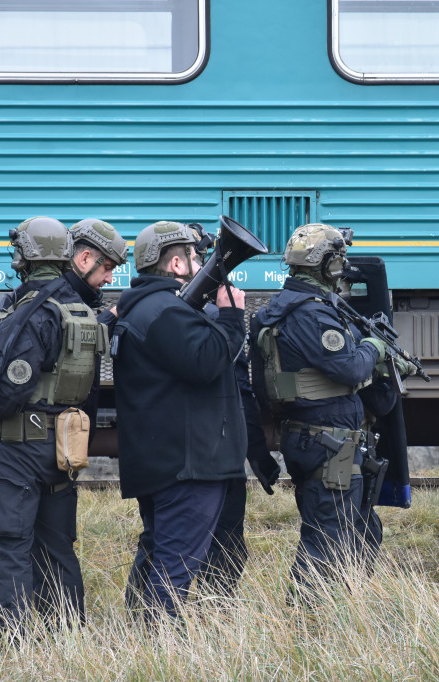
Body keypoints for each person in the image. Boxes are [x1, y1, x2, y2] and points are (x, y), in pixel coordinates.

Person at [0, 216, 109, 629]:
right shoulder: (78, 308)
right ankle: (65, 633)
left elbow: (14, 387)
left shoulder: (33, 311)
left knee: (8, 543)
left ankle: (6, 642)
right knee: (56, 547)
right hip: (61, 447)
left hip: (19, 447)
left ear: (25, 257)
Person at [250, 223, 405, 599]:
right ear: (329, 267)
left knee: (362, 533)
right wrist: (375, 348)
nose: (344, 268)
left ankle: (344, 615)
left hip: (323, 438)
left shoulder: (283, 309)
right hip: (327, 442)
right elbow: (350, 368)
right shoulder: (310, 315)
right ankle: (308, 627)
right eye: (340, 261)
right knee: (327, 543)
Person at [112, 220, 248, 623]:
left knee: (160, 554)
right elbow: (206, 362)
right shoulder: (163, 311)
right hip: (188, 465)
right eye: (193, 256)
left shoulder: (150, 307)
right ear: (175, 264)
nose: (201, 262)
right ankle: (155, 647)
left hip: (171, 459)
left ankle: (138, 637)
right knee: (176, 567)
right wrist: (230, 315)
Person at [67, 218, 128, 440]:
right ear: (85, 259)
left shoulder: (68, 299)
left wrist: (113, 314)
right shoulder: (58, 303)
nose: (111, 279)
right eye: (108, 268)